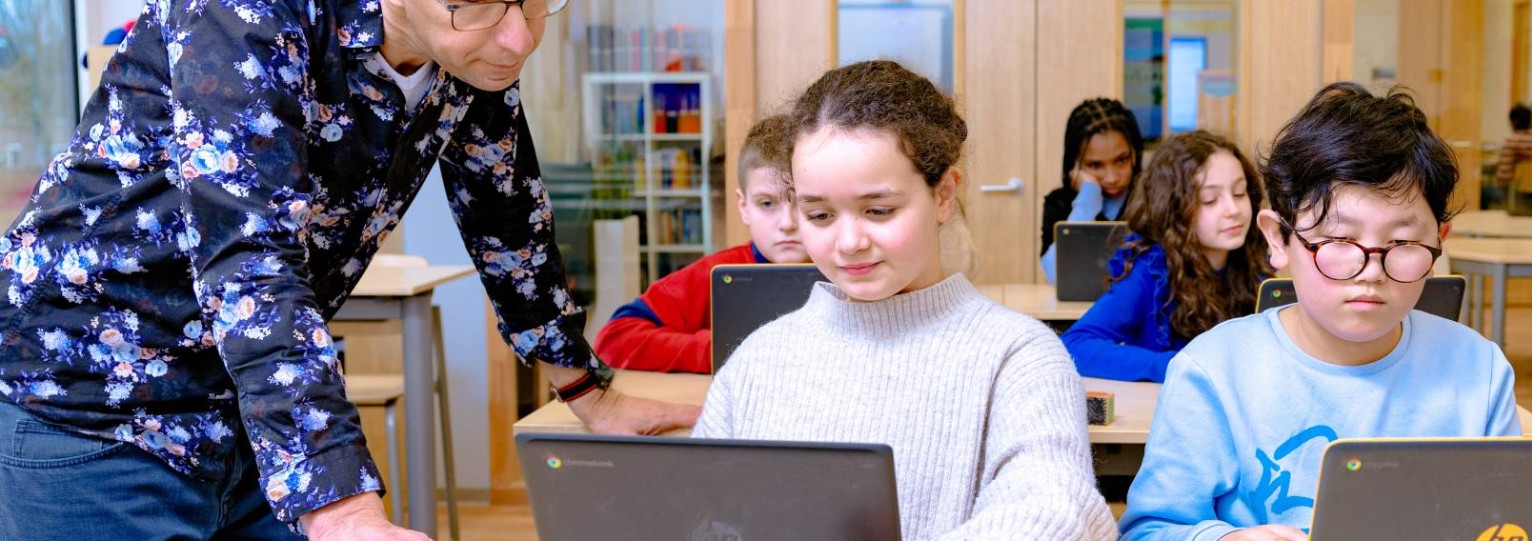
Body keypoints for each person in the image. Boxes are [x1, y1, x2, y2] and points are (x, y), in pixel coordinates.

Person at [0, 1, 698, 539]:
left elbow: (507, 215)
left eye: (534, 0)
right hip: (89, 408)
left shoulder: (470, 56)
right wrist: (339, 504)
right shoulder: (247, 15)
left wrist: (587, 389)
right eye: (477, 4)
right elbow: (251, 261)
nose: (518, 37)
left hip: (248, 410)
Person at [691, 60, 1117, 540]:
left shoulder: (1016, 356)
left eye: (878, 210)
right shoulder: (759, 360)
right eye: (820, 214)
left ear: (943, 195)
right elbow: (703, 518)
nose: (848, 241)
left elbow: (1052, 508)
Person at [1119, 83, 1519, 541]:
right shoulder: (1213, 371)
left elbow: (1509, 521)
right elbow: (1149, 529)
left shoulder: (1479, 371)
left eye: (1404, 243)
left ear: (1439, 240)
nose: (1370, 271)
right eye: (1340, 241)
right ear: (1277, 239)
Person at [594, 115, 809, 372]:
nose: (787, 223)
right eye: (766, 204)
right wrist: (723, 348)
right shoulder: (716, 273)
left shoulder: (851, 272)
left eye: (804, 202)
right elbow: (614, 341)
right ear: (744, 207)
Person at [1060, 130, 1270, 382]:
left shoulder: (1250, 261)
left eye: (1239, 193)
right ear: (1175, 209)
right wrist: (1174, 365)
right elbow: (1075, 344)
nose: (1233, 210)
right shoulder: (1152, 271)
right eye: (1210, 200)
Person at [1041, 98, 1146, 280]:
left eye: (1121, 160)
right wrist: (1086, 204)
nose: (1112, 177)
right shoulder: (1059, 203)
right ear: (1075, 164)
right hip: (1078, 308)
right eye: (1095, 165)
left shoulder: (1154, 199)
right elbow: (1054, 275)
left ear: (1135, 154)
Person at [1490, 103, 1532, 209]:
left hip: (1513, 192)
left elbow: (1503, 175)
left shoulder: (1511, 140)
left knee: (1483, 192)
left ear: (1513, 121)